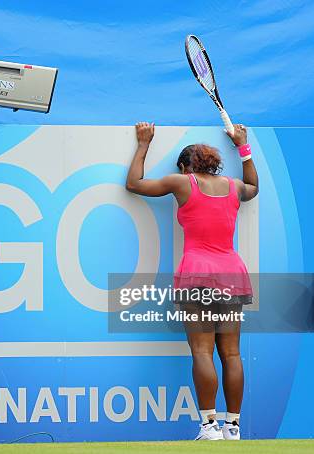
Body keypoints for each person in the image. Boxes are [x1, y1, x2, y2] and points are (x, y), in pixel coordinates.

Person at [126, 122, 258, 441]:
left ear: (186, 166)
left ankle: (210, 426)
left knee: (202, 351)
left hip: (198, 274)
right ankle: (233, 428)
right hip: (232, 273)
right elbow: (254, 187)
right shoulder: (234, 186)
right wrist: (243, 145)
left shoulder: (181, 182)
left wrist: (143, 143)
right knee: (231, 354)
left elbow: (134, 184)